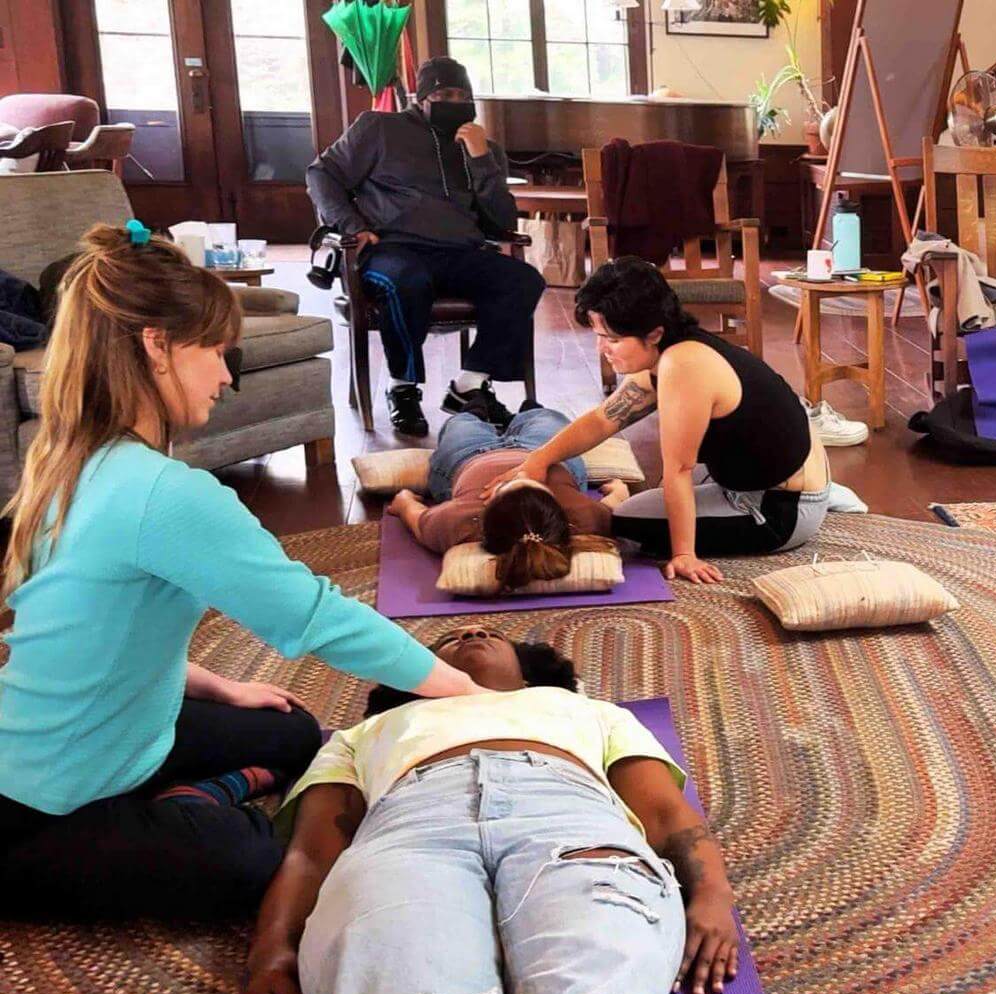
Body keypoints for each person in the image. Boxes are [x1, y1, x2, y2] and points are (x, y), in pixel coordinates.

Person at [0, 225, 485, 921]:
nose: (228, 376)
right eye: (217, 353)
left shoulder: (77, 459)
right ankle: (176, 811)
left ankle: (175, 799)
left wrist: (217, 685)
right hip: (43, 802)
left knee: (291, 731)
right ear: (156, 346)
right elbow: (314, 614)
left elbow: (105, 630)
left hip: (124, 737)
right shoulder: (162, 494)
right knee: (258, 858)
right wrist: (463, 690)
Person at [240, 626, 737, 994]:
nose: (473, 631)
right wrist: (271, 950)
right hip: (409, 830)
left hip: (571, 820)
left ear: (531, 669)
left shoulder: (592, 712)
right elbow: (310, 853)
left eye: (490, 632)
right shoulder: (364, 734)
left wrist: (713, 896)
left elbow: (665, 814)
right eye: (449, 638)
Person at [484, 257, 831, 583]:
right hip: (772, 472)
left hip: (779, 509)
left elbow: (678, 469)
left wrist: (684, 554)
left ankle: (644, 509)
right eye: (600, 336)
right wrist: (539, 459)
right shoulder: (673, 348)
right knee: (667, 492)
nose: (602, 348)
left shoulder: (684, 366)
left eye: (613, 339)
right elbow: (604, 420)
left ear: (653, 333)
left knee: (625, 520)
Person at [306, 55, 543, 437]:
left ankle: (469, 385)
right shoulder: (380, 128)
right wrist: (352, 225)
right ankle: (402, 387)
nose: (456, 100)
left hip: (459, 253)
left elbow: (502, 223)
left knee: (523, 280)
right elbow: (321, 174)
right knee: (408, 280)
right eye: (444, 93)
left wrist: (482, 160)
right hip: (391, 249)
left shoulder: (484, 147)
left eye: (464, 94)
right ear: (421, 98)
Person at [386, 407, 628, 591]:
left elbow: (411, 513)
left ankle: (478, 408)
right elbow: (618, 501)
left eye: (505, 485)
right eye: (532, 482)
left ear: (486, 511)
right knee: (546, 416)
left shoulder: (457, 521)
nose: (518, 474)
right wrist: (618, 488)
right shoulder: (583, 516)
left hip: (468, 456)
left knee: (461, 422)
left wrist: (404, 498)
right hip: (545, 450)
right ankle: (523, 410)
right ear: (556, 505)